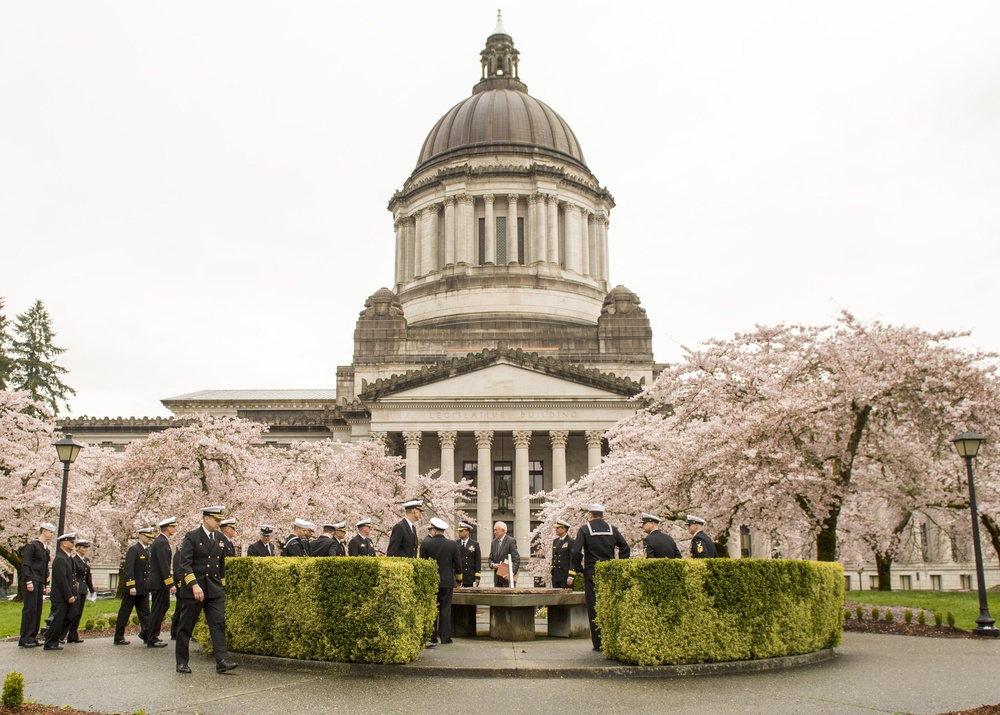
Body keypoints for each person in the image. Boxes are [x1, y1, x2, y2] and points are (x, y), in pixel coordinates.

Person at [175, 505, 237, 675]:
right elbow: (184, 564)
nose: (218, 523)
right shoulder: (192, 537)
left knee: (218, 624)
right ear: (206, 519)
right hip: (195, 589)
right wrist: (194, 584)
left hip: (214, 589)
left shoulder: (220, 538)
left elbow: (221, 564)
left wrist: (221, 585)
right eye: (216, 520)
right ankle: (181, 661)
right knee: (186, 626)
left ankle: (222, 660)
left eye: (219, 520)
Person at [570, 504, 630, 651]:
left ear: (590, 515)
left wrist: (580, 569)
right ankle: (612, 638)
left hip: (592, 572)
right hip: (609, 571)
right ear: (602, 515)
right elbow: (625, 547)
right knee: (610, 603)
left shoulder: (585, 529)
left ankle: (598, 642)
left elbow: (576, 551)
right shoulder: (612, 529)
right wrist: (618, 564)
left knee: (594, 605)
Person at [419, 517, 462, 645]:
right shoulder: (452, 544)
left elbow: (423, 563)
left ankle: (431, 637)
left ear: (433, 531)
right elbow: (458, 564)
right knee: (445, 609)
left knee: (433, 609)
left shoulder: (426, 544)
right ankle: (445, 637)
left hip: (432, 582)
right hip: (447, 582)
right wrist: (459, 579)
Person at [114, 526, 154, 645]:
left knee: (145, 613)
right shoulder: (134, 550)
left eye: (150, 537)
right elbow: (129, 568)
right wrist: (131, 585)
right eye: (147, 537)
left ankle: (146, 634)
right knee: (125, 613)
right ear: (140, 536)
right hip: (133, 588)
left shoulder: (148, 550)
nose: (149, 539)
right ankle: (118, 636)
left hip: (143, 588)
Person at [18, 521, 55, 648]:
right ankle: (25, 638)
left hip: (39, 580)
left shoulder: (45, 549)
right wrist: (28, 580)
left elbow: (45, 567)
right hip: (32, 579)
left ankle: (32, 636)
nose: (51, 534)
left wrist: (47, 583)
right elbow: (26, 564)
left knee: (38, 609)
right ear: (43, 531)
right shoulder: (32, 545)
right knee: (30, 609)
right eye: (50, 532)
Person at [145, 517, 177, 648]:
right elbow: (164, 565)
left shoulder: (161, 541)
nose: (174, 529)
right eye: (173, 527)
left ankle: (147, 633)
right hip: (159, 583)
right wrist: (170, 583)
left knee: (161, 607)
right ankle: (152, 637)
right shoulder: (162, 542)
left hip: (158, 582)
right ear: (168, 528)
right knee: (158, 609)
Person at [44, 532, 78, 651]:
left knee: (72, 615)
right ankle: (50, 642)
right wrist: (68, 595)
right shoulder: (60, 558)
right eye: (70, 542)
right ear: (63, 544)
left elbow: (71, 578)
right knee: (57, 619)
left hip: (68, 595)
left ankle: (56, 636)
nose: (73, 544)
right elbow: (61, 579)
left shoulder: (68, 558)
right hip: (60, 596)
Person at [61, 537, 94, 643]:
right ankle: (62, 634)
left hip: (83, 589)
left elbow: (88, 576)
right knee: (73, 613)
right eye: (83, 548)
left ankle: (73, 635)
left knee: (79, 613)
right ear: (78, 549)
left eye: (86, 548)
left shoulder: (86, 560)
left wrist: (91, 589)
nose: (85, 550)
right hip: (76, 588)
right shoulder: (74, 560)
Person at [488, 521, 519, 587]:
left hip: (507, 578)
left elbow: (516, 559)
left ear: (503, 530)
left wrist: (511, 574)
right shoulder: (493, 542)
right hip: (497, 579)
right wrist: (493, 565)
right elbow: (490, 559)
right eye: (494, 530)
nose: (494, 532)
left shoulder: (511, 541)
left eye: (496, 530)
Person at [551, 519, 576, 588]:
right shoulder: (555, 541)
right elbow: (554, 557)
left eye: (558, 528)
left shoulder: (571, 541)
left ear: (564, 529)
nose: (556, 529)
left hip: (565, 575)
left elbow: (573, 559)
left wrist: (571, 576)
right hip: (556, 576)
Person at [455, 522, 481, 588]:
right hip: (457, 575)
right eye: (459, 531)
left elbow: (477, 561)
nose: (459, 532)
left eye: (461, 531)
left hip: (469, 575)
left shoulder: (475, 544)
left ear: (467, 532)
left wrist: (477, 576)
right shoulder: (455, 544)